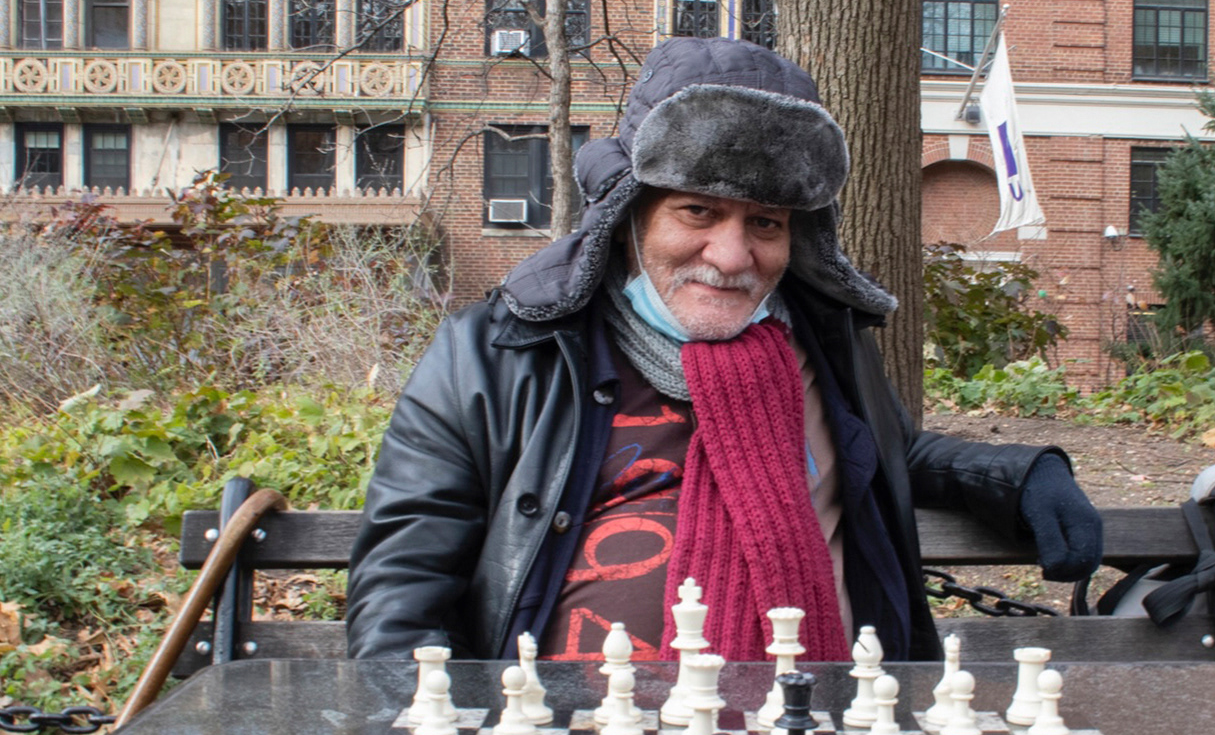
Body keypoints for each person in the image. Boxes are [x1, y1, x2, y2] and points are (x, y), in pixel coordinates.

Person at [346, 38, 1101, 666]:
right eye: (698, 212)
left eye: (765, 223)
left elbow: (885, 453)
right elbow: (400, 595)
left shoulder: (819, 342)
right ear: (631, 215)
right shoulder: (496, 356)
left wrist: (1015, 475)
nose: (732, 255)